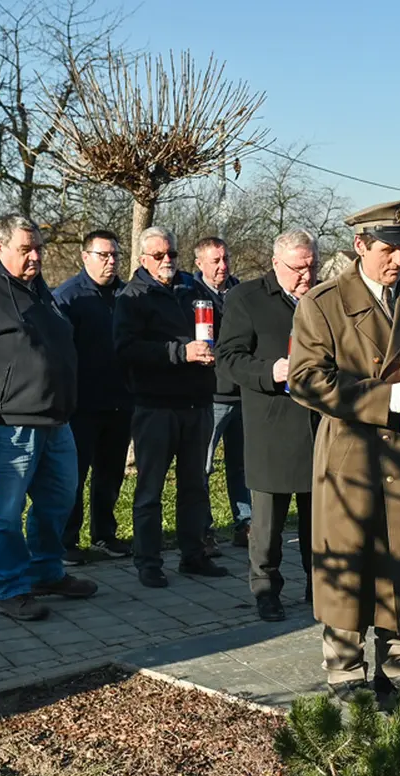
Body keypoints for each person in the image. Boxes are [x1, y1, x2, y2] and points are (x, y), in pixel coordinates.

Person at [288, 199, 400, 701]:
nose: (397, 259)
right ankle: (344, 668)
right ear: (360, 246)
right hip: (351, 456)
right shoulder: (322, 303)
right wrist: (385, 399)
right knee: (350, 557)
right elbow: (305, 380)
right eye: (387, 248)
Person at [0, 214, 98, 621]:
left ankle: (46, 571)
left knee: (58, 501)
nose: (35, 256)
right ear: (1, 248)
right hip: (6, 426)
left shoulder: (38, 290)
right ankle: (10, 587)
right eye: (25, 249)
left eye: (39, 248)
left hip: (55, 422)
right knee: (3, 513)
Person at [115, 226, 231, 588]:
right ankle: (148, 561)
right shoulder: (132, 297)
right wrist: (179, 353)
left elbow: (217, 329)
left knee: (195, 485)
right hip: (155, 405)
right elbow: (126, 350)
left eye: (172, 254)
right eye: (159, 255)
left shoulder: (192, 290)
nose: (168, 261)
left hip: (196, 402)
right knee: (150, 489)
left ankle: (193, 554)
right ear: (143, 259)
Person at [216, 229, 320, 622]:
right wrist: (270, 370)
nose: (305, 277)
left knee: (319, 521)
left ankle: (320, 587)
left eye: (312, 267)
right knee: (268, 524)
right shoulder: (247, 299)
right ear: (276, 263)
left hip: (318, 425)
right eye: (297, 269)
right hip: (271, 424)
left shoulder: (322, 299)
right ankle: (266, 589)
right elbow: (228, 359)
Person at [52, 229, 132, 563]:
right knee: (75, 475)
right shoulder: (68, 298)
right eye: (103, 255)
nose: (111, 262)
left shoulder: (128, 295)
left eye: (115, 255)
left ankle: (104, 535)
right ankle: (67, 541)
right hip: (81, 405)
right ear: (85, 257)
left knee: (110, 474)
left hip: (120, 401)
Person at [193, 236, 250, 553]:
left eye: (225, 258)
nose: (222, 266)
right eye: (215, 261)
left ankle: (246, 524)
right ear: (200, 263)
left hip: (243, 391)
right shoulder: (191, 295)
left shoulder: (241, 293)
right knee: (203, 465)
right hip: (211, 394)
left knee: (243, 464)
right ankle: (203, 529)